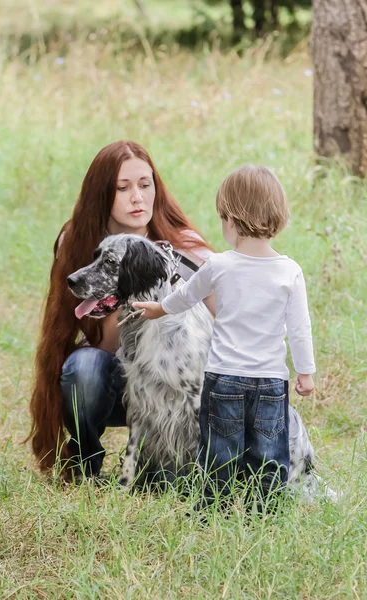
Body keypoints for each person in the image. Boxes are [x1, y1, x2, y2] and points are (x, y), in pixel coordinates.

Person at [27, 140, 215, 479]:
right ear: (101, 194)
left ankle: (180, 466)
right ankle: (85, 465)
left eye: (145, 185)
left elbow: (228, 319)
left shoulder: (185, 248)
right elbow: (81, 335)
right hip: (112, 380)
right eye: (122, 188)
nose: (137, 198)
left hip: (173, 389)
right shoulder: (77, 241)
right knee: (82, 367)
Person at [133, 164, 316, 506]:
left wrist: (159, 309)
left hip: (225, 378)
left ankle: (212, 508)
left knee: (220, 449)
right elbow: (300, 328)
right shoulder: (290, 272)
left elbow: (186, 295)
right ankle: (266, 509)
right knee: (269, 451)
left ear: (231, 219)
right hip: (270, 383)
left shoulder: (218, 265)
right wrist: (305, 372)